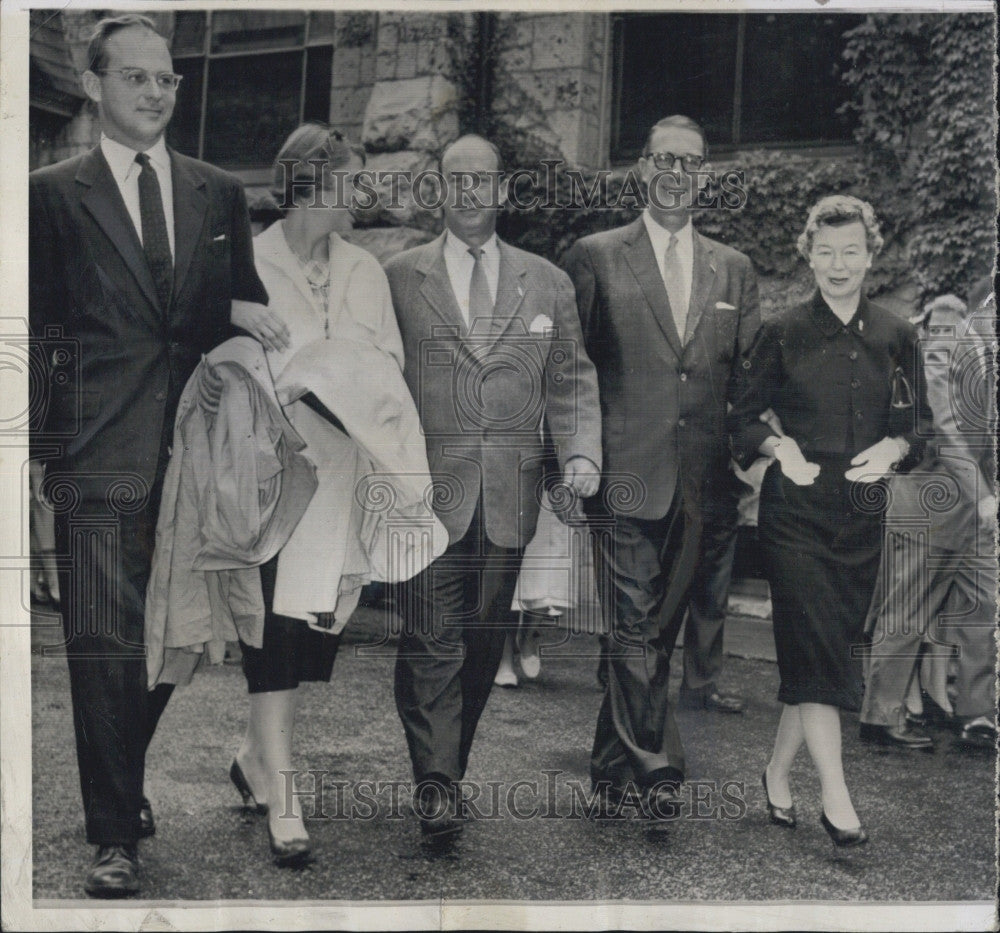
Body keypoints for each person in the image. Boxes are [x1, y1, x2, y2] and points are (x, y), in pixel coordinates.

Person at [145, 124, 446, 866]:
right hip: (268, 479)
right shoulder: (245, 257)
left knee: (304, 641)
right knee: (270, 640)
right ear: (315, 183)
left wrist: (330, 373)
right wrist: (249, 334)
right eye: (354, 181)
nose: (363, 196)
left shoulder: (364, 270)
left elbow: (383, 369)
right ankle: (284, 794)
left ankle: (252, 755)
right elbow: (211, 353)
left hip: (341, 483)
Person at [28, 15, 267, 896]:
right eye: (137, 79)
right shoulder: (48, 195)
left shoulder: (218, 193)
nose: (157, 94)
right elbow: (39, 335)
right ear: (93, 87)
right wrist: (38, 469)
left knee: (175, 639)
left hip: (197, 458)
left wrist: (244, 317)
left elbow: (240, 306)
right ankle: (113, 832)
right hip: (96, 459)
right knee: (101, 643)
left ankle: (120, 777)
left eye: (168, 80)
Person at [385, 134, 602, 837]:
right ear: (439, 191)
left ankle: (449, 766)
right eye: (456, 179)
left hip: (510, 495)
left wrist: (580, 456)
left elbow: (570, 376)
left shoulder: (545, 281)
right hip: (425, 490)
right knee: (430, 638)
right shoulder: (398, 277)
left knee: (481, 641)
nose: (471, 191)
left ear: (502, 191)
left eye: (483, 179)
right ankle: (438, 786)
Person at [562, 115, 761, 817]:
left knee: (653, 632)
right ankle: (656, 760)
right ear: (643, 168)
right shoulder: (595, 255)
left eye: (693, 162)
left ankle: (610, 770)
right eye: (666, 158)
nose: (679, 173)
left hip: (704, 482)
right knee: (633, 622)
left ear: (704, 176)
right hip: (623, 472)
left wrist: (761, 458)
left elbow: (747, 379)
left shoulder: (733, 268)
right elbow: (572, 366)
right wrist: (579, 449)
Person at [728, 195, 930, 847]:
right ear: (808, 255)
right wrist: (779, 447)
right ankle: (837, 796)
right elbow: (744, 418)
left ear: (870, 257)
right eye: (826, 251)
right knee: (815, 646)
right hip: (796, 512)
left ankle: (777, 771)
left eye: (851, 252)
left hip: (860, 516)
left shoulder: (897, 336)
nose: (838, 264)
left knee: (817, 654)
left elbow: (917, 425)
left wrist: (895, 448)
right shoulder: (782, 331)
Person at [861, 284, 997, 751]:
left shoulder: (979, 349)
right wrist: (983, 494)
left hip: (972, 514)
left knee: (984, 606)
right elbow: (943, 424)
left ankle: (976, 713)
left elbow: (984, 435)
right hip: (928, 505)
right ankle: (880, 718)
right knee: (906, 613)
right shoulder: (941, 341)